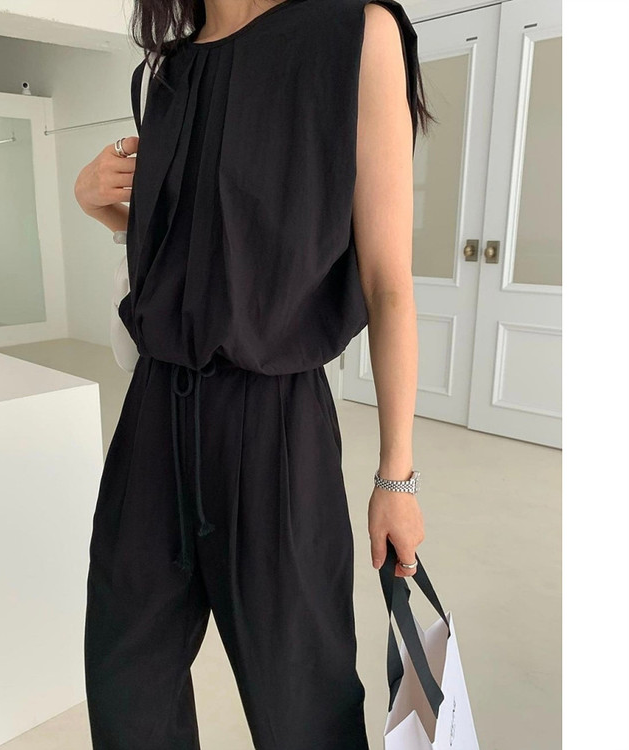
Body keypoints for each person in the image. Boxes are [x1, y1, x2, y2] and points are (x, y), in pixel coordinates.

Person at [74, 0, 435, 747]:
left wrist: (396, 477)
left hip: (275, 424)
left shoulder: (354, 34)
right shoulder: (165, 72)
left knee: (303, 701)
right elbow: (192, 255)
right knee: (124, 687)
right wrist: (102, 209)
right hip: (152, 420)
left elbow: (388, 282)